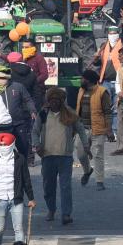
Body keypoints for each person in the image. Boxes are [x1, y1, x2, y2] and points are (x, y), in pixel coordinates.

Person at [33, 87, 88, 226]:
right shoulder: (43, 114)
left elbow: (81, 129)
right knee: (48, 187)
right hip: (47, 156)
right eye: (52, 100)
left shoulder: (69, 113)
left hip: (65, 156)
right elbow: (34, 131)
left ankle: (66, 214)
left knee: (65, 187)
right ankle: (51, 210)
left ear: (61, 101)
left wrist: (86, 146)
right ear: (48, 101)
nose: (54, 103)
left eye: (57, 100)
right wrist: (37, 145)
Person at [74, 69, 112, 191]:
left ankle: (100, 181)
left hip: (98, 128)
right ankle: (87, 171)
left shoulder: (102, 92)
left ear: (89, 80)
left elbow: (108, 112)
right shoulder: (81, 90)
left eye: (83, 78)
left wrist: (109, 130)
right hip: (82, 129)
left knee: (98, 155)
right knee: (80, 153)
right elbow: (77, 110)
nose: (81, 80)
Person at [0, 64, 38, 161]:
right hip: (2, 125)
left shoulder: (18, 87)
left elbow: (28, 99)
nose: (1, 80)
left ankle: (24, 168)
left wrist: (32, 110)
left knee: (23, 147)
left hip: (18, 123)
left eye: (3, 78)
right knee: (1, 150)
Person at [92, 25, 122, 141]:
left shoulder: (122, 45)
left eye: (115, 33)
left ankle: (113, 132)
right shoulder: (103, 46)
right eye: (111, 33)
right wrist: (96, 60)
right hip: (105, 81)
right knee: (105, 108)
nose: (113, 35)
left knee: (115, 108)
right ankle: (105, 131)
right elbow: (98, 63)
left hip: (118, 82)